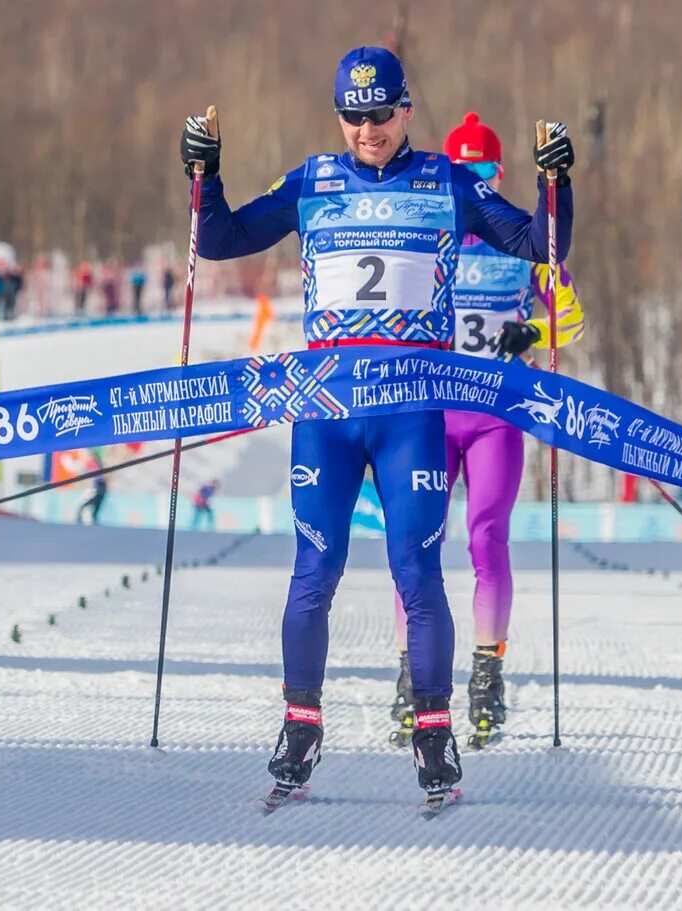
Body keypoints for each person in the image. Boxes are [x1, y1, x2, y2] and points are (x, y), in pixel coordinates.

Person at [180, 46, 576, 801]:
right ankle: (301, 725)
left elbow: (538, 245)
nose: (367, 129)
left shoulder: (445, 181)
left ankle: (432, 731)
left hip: (409, 415)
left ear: (405, 112)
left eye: (380, 114)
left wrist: (557, 182)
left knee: (417, 571)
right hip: (327, 414)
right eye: (353, 115)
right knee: (315, 570)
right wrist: (205, 173)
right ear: (340, 116)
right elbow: (224, 238)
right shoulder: (313, 182)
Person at [387, 112, 587, 751]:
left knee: (486, 540)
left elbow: (573, 322)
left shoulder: (518, 241)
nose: (474, 184)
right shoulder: (425, 235)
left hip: (496, 416)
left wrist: (535, 332)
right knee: (416, 544)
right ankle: (410, 678)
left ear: (499, 177)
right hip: (432, 416)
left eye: (485, 173)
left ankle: (486, 678)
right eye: (463, 173)